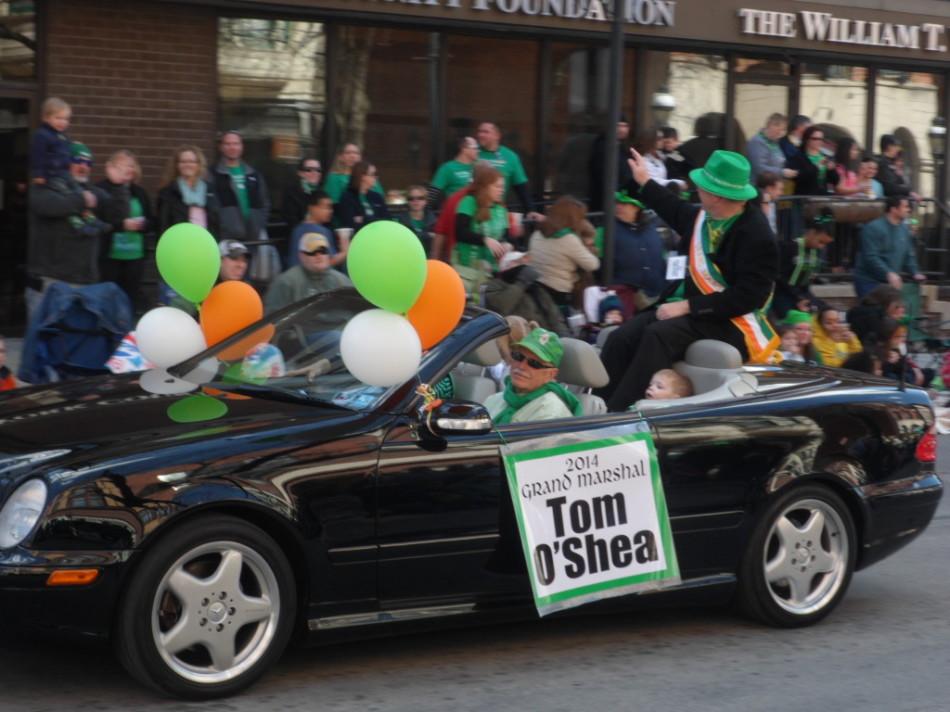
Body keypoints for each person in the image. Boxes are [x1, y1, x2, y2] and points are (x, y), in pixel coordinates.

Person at [596, 149, 778, 411]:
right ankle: (597, 409)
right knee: (619, 338)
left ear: (715, 195)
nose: (696, 189)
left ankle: (621, 416)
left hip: (729, 320)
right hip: (693, 310)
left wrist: (687, 307)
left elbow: (749, 297)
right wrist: (645, 181)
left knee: (657, 335)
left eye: (702, 185)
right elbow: (674, 209)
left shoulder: (757, 236)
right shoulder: (707, 215)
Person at [24, 141, 110, 320]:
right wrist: (81, 199)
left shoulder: (92, 193)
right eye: (77, 160)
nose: (83, 166)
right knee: (42, 343)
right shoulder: (44, 187)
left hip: (84, 284)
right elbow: (51, 205)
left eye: (88, 163)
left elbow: (111, 207)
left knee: (76, 344)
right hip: (51, 284)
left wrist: (114, 184)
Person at [483, 328, 582, 424]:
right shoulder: (493, 399)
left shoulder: (552, 414)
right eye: (519, 356)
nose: (522, 366)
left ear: (551, 374)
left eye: (534, 363)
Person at [97, 150, 153, 313]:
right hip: (110, 257)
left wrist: (143, 225)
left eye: (130, 165)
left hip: (135, 257)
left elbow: (151, 221)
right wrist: (122, 225)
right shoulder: (101, 190)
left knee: (130, 301)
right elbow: (100, 220)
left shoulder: (140, 193)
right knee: (108, 300)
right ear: (110, 167)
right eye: (122, 165)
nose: (127, 169)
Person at [599, 190, 668, 318]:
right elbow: (598, 267)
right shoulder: (605, 230)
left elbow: (661, 259)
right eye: (617, 203)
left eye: (624, 204)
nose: (618, 207)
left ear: (637, 207)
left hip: (656, 296)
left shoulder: (651, 228)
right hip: (623, 302)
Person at [528, 196, 600, 311]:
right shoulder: (568, 239)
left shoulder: (537, 233)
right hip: (558, 294)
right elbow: (593, 264)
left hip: (536, 289)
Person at [452, 165, 512, 300]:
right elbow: (460, 232)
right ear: (485, 186)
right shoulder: (469, 202)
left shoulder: (501, 209)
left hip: (492, 272)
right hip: (468, 271)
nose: (501, 190)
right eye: (497, 187)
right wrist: (485, 240)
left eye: (503, 187)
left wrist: (507, 245)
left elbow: (507, 236)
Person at [852, 196, 925, 298]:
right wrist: (888, 273)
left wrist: (915, 272)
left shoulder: (904, 230)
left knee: (889, 313)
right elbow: (871, 257)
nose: (909, 209)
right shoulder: (873, 228)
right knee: (872, 312)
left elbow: (908, 255)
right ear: (893, 209)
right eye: (905, 207)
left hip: (889, 282)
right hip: (869, 281)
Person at [483, 251, 568, 335]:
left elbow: (554, 316)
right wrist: (521, 283)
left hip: (545, 337)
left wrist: (563, 335)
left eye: (526, 262)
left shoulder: (535, 288)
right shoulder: (494, 285)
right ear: (506, 266)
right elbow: (501, 307)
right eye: (519, 262)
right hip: (520, 337)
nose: (525, 266)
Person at [264, 233, 352, 313]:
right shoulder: (286, 282)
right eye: (312, 252)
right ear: (301, 255)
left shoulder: (341, 280)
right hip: (302, 330)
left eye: (323, 251)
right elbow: (271, 318)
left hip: (342, 328)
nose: (319, 256)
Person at [773, 209, 834, 318]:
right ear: (811, 232)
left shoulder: (816, 253)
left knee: (827, 311)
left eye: (825, 244)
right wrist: (798, 297)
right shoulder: (789, 247)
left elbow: (807, 282)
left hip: (802, 294)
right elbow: (779, 277)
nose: (822, 246)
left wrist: (805, 298)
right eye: (820, 242)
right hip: (782, 294)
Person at [211, 130, 271, 243]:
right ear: (221, 147)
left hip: (253, 236)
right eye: (228, 144)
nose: (232, 147)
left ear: (242, 146)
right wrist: (224, 226)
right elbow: (212, 206)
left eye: (236, 143)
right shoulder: (213, 174)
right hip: (227, 238)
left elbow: (265, 203)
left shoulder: (254, 174)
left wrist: (259, 224)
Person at [476, 121, 539, 219]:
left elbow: (521, 188)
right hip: (473, 209)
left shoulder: (510, 157)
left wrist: (530, 210)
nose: (480, 135)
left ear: (497, 135)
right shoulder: (472, 153)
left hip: (497, 212)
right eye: (479, 131)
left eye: (485, 132)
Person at [170, 240, 251, 316]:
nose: (241, 265)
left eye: (244, 261)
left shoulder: (247, 290)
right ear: (219, 260)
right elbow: (176, 315)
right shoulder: (200, 284)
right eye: (234, 259)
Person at [156, 144, 220, 237]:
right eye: (183, 161)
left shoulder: (209, 190)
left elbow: (217, 221)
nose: (187, 165)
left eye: (191, 161)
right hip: (180, 244)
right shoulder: (167, 192)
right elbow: (162, 224)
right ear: (177, 165)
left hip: (206, 243)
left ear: (198, 165)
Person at [288, 190, 344, 269]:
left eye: (331, 208)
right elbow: (329, 262)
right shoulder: (321, 231)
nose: (330, 211)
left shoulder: (297, 230)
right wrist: (345, 250)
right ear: (311, 208)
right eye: (326, 207)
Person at [588, 117, 633, 210]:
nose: (622, 129)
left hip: (620, 198)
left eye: (625, 126)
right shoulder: (603, 147)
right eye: (619, 125)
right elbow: (603, 175)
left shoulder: (622, 147)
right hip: (606, 201)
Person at [30, 97, 72, 188]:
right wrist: (39, 174)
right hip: (50, 176)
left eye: (66, 119)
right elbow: (38, 156)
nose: (63, 122)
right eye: (58, 118)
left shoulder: (63, 136)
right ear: (46, 118)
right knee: (65, 192)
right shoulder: (42, 135)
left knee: (77, 189)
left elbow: (67, 151)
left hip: (64, 173)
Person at [786, 126, 839, 196]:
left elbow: (835, 181)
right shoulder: (798, 157)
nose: (819, 141)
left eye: (821, 139)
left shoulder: (825, 157)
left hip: (822, 198)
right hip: (804, 199)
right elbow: (797, 177)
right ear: (807, 139)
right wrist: (816, 167)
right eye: (815, 139)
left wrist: (832, 170)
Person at [879, 317, 932, 387]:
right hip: (893, 380)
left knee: (929, 372)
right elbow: (884, 372)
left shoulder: (899, 347)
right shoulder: (882, 350)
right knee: (901, 377)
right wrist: (890, 363)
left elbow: (905, 364)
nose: (901, 339)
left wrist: (916, 370)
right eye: (897, 337)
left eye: (903, 336)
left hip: (906, 373)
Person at [337, 161, 390, 230]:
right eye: (373, 174)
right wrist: (374, 219)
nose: (376, 177)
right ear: (362, 176)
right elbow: (349, 223)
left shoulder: (377, 197)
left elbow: (387, 220)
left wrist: (363, 219)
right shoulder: (347, 197)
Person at [428, 137, 478, 209]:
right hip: (455, 213)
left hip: (474, 213)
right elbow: (432, 194)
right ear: (464, 149)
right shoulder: (447, 168)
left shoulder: (478, 167)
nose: (478, 151)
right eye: (475, 148)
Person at [745, 113, 791, 182]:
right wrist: (782, 172)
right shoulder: (757, 142)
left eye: (783, 130)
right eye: (779, 129)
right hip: (759, 187)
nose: (781, 133)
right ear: (770, 125)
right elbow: (759, 168)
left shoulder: (774, 142)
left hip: (773, 186)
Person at [281, 157, 323, 229]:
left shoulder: (322, 194)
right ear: (300, 173)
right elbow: (292, 221)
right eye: (309, 170)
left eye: (318, 170)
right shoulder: (291, 193)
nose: (315, 173)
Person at [398, 185, 437, 256]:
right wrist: (428, 235)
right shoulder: (401, 220)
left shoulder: (434, 220)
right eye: (411, 198)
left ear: (426, 201)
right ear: (407, 201)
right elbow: (404, 241)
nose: (415, 201)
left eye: (420, 198)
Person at [876, 135, 918, 199]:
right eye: (896, 146)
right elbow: (889, 187)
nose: (898, 149)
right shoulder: (883, 163)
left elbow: (900, 182)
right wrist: (908, 191)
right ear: (889, 146)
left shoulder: (890, 163)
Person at [756, 171, 783, 236]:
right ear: (769, 189)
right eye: (779, 189)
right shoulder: (756, 206)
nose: (781, 193)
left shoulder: (772, 203)